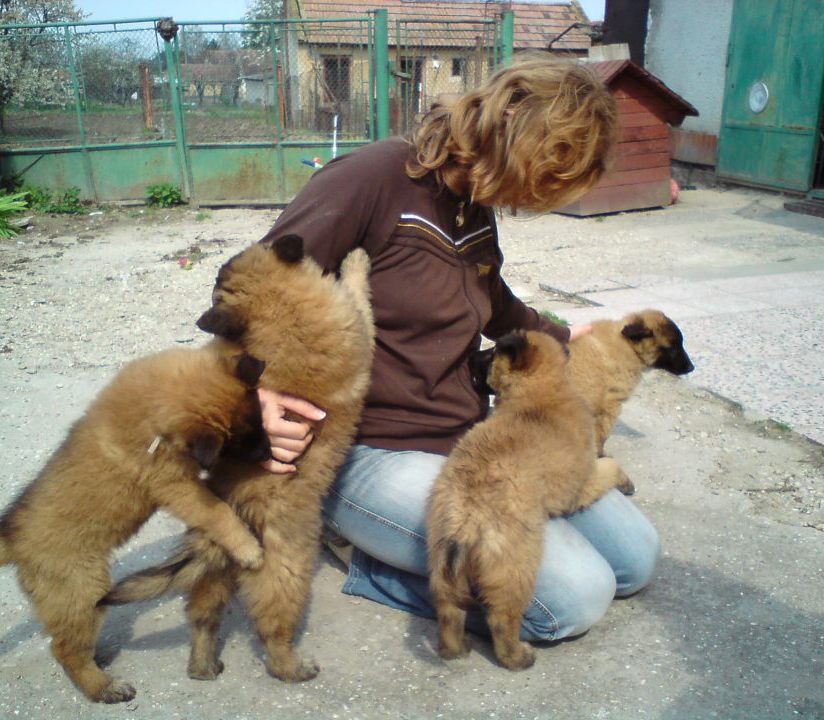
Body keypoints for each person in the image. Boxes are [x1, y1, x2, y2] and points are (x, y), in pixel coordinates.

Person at [254, 52, 660, 642]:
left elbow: (487, 295)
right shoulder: (374, 178)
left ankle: (451, 552)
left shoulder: (474, 197)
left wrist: (558, 334)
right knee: (574, 597)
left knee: (634, 560)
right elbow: (255, 286)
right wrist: (258, 393)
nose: (536, 202)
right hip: (370, 452)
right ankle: (366, 557)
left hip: (468, 440)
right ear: (517, 140)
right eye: (546, 181)